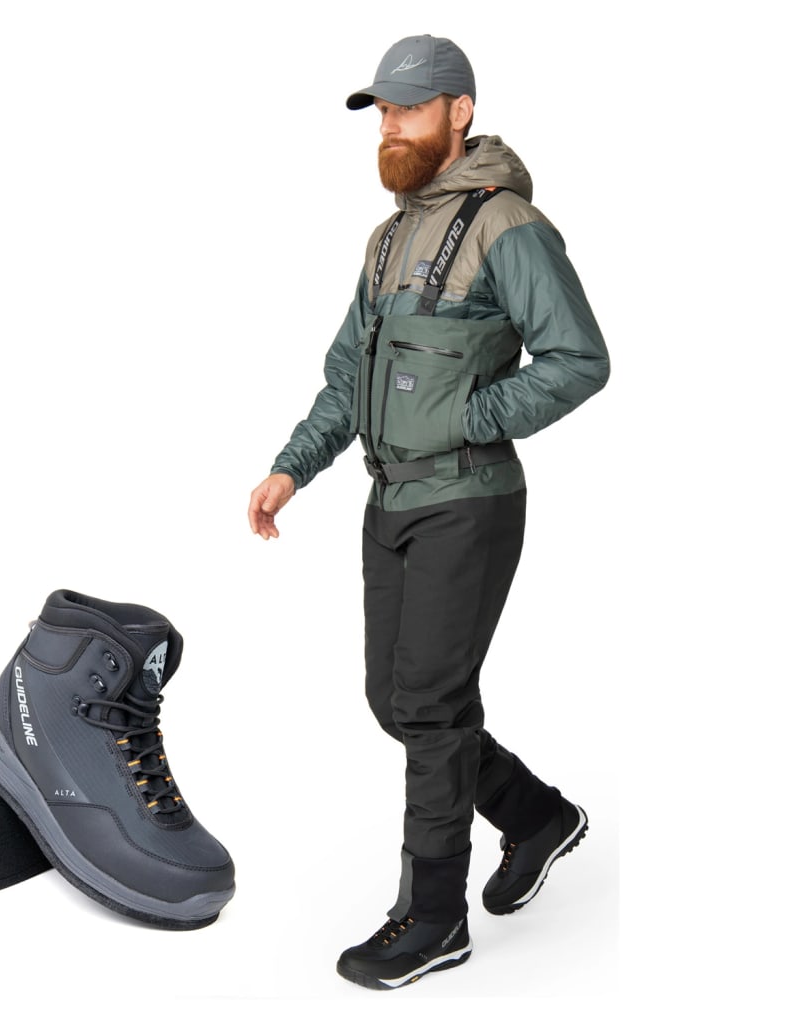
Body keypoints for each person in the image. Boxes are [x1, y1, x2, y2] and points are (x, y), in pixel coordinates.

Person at [247, 35, 609, 991]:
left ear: (460, 111)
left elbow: (580, 359)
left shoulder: (508, 225)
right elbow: (346, 376)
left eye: (409, 109)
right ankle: (536, 816)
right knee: (394, 702)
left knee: (431, 706)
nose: (391, 126)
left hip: (468, 502)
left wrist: (468, 417)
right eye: (383, 112)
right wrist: (292, 469)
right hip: (389, 500)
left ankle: (435, 916)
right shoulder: (388, 238)